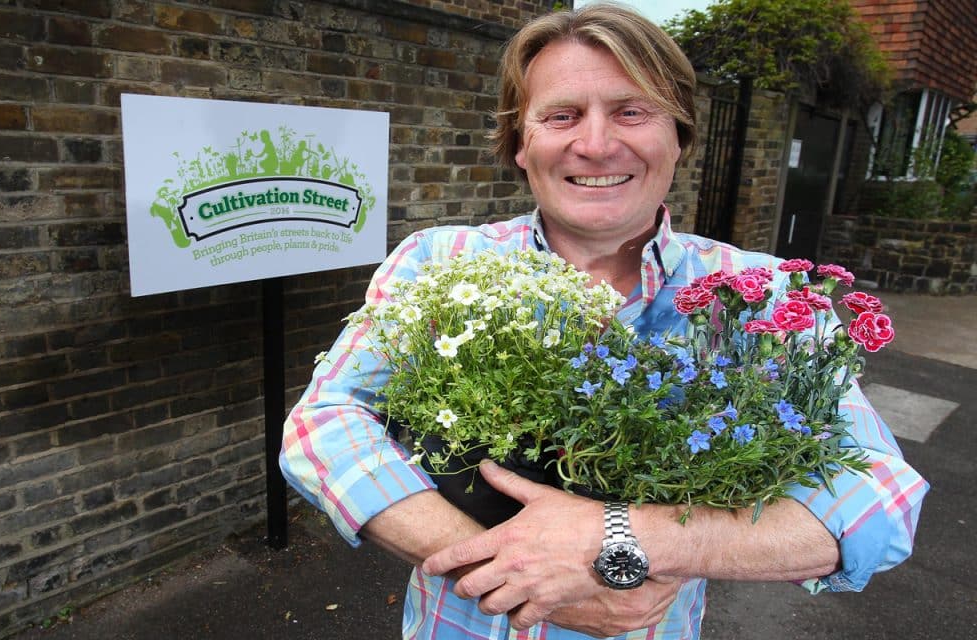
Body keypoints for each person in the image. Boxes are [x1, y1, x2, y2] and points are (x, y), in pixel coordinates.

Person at [280, 5, 928, 638]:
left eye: (631, 112)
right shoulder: (441, 261)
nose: (595, 144)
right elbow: (324, 425)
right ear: (521, 143)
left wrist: (628, 538)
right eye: (561, 115)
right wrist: (514, 570)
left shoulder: (762, 295)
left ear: (679, 137)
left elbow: (880, 499)